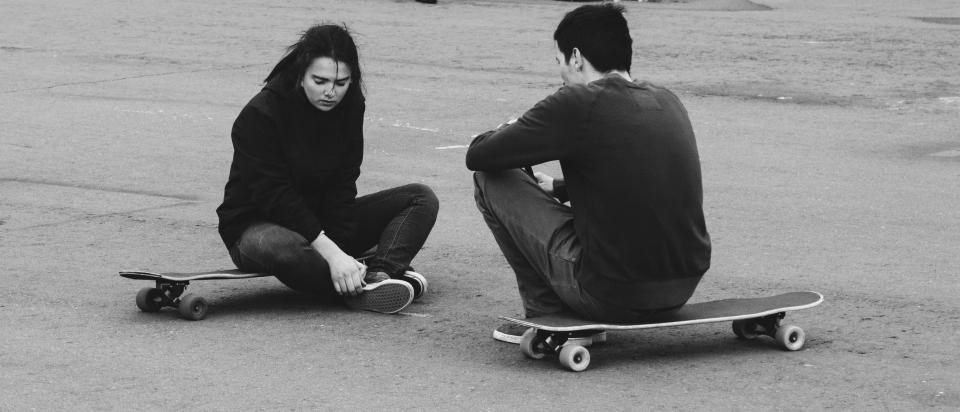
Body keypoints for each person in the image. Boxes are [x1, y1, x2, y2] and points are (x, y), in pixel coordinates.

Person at [466, 4, 711, 343]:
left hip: (613, 295)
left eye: (560, 62)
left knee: (489, 179)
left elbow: (479, 155)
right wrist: (562, 187)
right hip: (682, 285)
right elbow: (643, 175)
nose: (561, 74)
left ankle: (547, 313)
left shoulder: (577, 101)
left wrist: (509, 128)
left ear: (576, 57)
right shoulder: (667, 99)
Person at [216, 24, 439, 314]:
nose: (330, 92)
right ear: (300, 74)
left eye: (341, 83)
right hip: (257, 226)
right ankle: (359, 288)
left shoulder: (350, 105)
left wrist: (340, 245)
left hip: (322, 223)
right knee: (286, 247)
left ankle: (379, 274)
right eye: (319, 81)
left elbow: (343, 183)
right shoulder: (260, 114)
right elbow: (275, 197)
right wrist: (333, 254)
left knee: (420, 198)